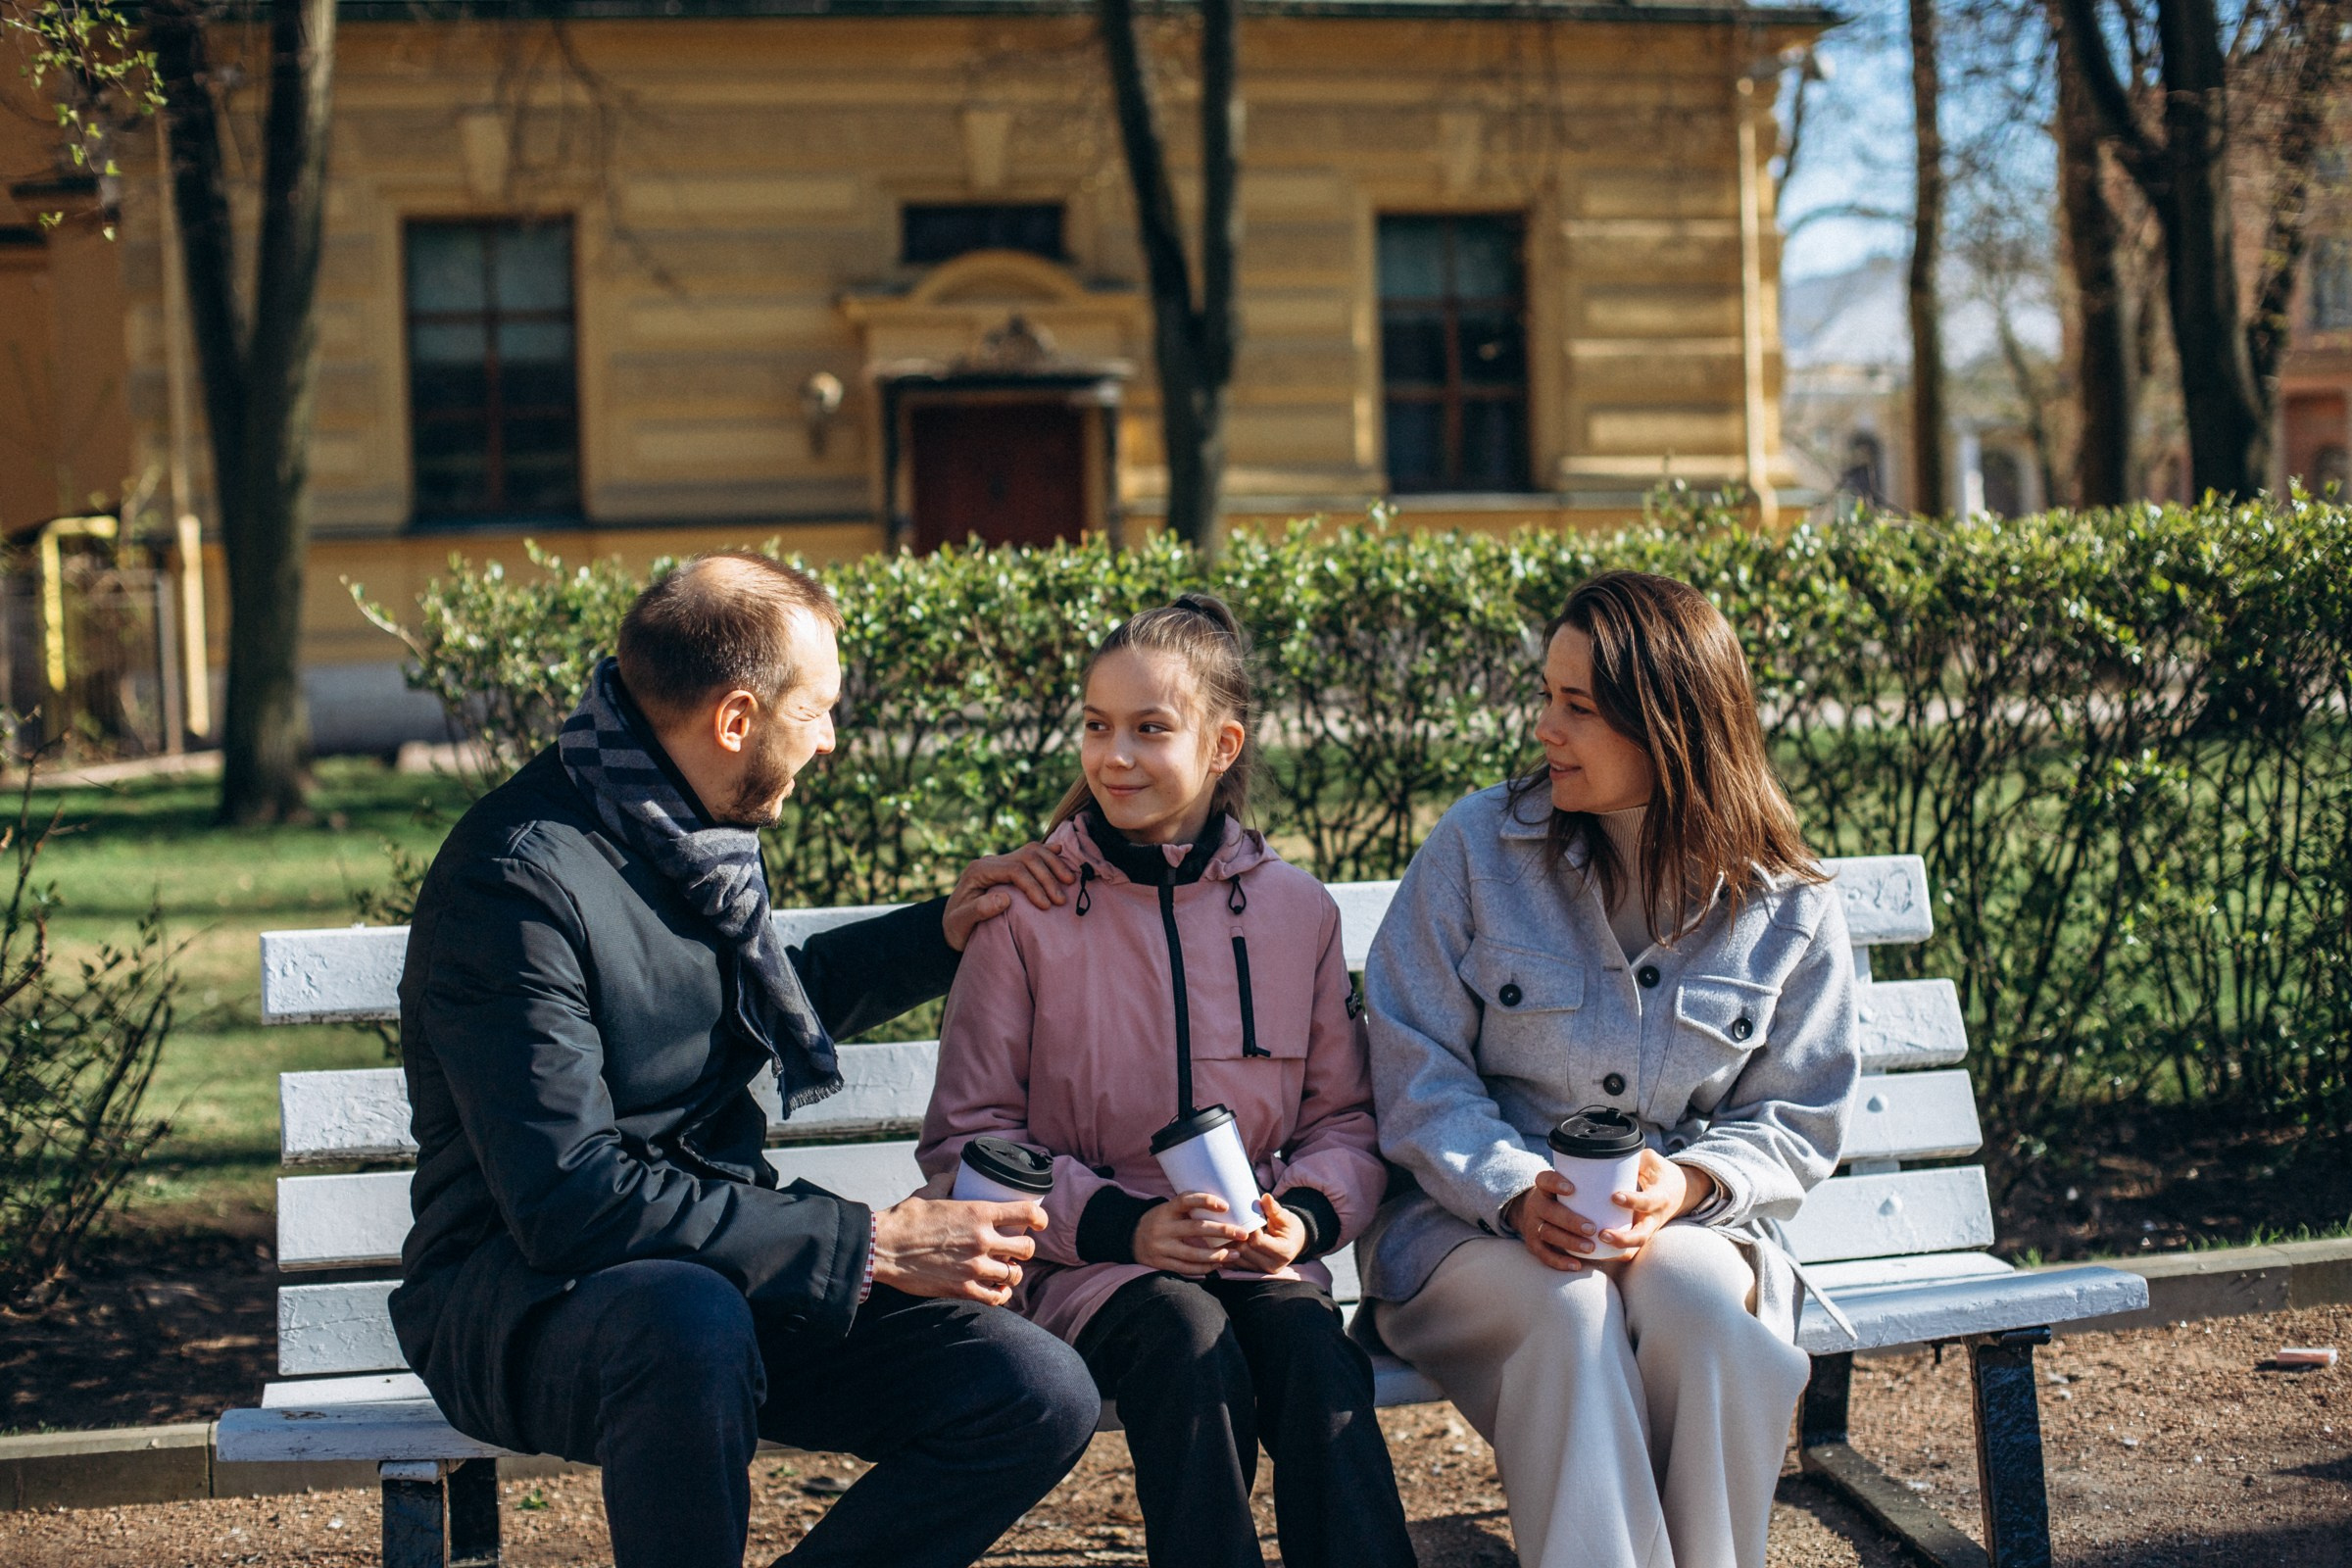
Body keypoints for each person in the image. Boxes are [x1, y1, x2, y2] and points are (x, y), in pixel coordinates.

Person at [389, 553, 1102, 1568]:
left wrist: (940, 933)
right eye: (814, 711)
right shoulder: (513, 884)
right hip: (522, 1303)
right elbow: (567, 1197)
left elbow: (725, 1006)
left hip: (717, 1274)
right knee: (688, 1319)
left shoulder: (679, 820)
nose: (829, 740)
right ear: (735, 719)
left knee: (1035, 1390)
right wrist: (869, 1241)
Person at [1358, 570, 1860, 1568]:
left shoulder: (1790, 906)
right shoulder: (1475, 849)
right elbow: (1414, 1070)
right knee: (1569, 1308)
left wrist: (1689, 1183)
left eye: (1576, 707)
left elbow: (1798, 1118)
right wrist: (1511, 1190)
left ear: (1669, 721)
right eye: (1545, 696)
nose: (1543, 727)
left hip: (1687, 1227)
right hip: (1467, 1233)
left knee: (1704, 1307)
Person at [917, 594, 1415, 1568]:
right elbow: (966, 1143)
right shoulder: (1028, 914)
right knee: (1185, 1337)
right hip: (1085, 1271)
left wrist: (1303, 1218)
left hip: (1256, 1257)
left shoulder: (1296, 911)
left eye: (1151, 729)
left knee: (1316, 1357)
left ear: (1223, 743)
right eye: (1098, 726)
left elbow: (1344, 1120)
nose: (1115, 756)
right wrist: (1122, 1228)